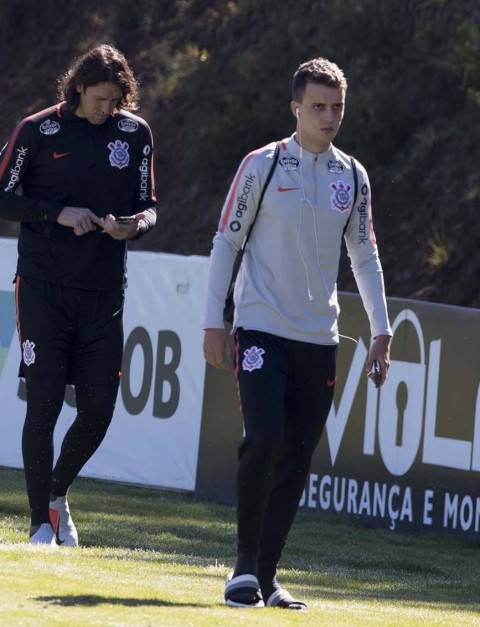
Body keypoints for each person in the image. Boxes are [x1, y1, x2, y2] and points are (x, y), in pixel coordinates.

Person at [203, 57, 392, 609]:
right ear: (296, 108)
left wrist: (382, 330)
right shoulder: (263, 166)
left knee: (296, 457)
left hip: (320, 339)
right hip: (261, 329)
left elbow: (366, 254)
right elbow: (226, 243)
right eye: (318, 107)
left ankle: (266, 576)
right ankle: (242, 565)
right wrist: (215, 321)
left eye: (337, 107)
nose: (329, 116)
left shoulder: (352, 176)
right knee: (263, 439)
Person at [0, 44, 157, 546]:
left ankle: (57, 495)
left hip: (104, 291)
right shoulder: (38, 129)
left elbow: (149, 206)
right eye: (101, 99)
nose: (108, 109)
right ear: (79, 88)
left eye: (117, 100)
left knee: (99, 410)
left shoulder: (134, 132)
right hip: (43, 289)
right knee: (45, 406)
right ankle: (39, 524)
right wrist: (55, 212)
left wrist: (133, 226)